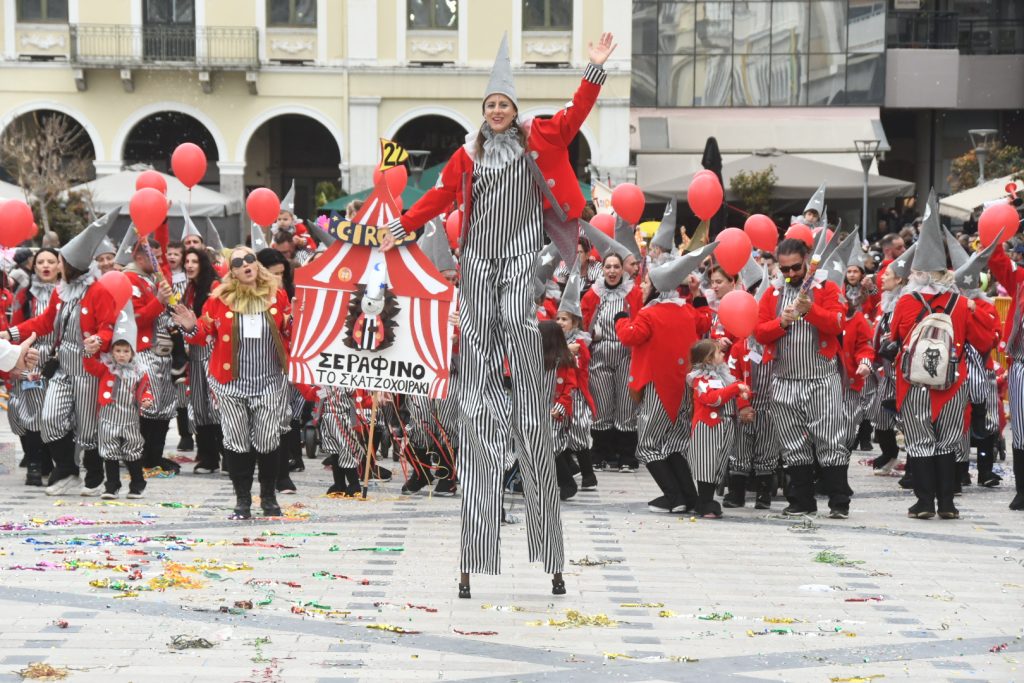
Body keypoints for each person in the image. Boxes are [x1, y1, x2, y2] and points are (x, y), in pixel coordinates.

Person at [380, 32, 617, 599]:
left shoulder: (541, 137)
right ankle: (483, 392)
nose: (497, 111)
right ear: (483, 112)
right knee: (479, 335)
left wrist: (595, 67)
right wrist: (405, 226)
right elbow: (438, 199)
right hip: (479, 256)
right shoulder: (469, 155)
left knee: (518, 316)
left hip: (521, 253)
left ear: (515, 110)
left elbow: (578, 108)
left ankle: (529, 386)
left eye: (504, 104)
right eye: (490, 105)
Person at [2, 210, 119, 496]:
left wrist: (98, 341)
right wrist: (11, 334)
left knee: (89, 429)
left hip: (88, 368)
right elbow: (43, 323)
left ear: (72, 265)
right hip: (63, 366)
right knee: (49, 418)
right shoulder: (61, 290)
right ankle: (66, 469)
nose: (55, 267)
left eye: (60, 262)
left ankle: (94, 477)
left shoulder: (99, 292)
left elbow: (108, 327)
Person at [172, 246, 292, 519]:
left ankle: (269, 497)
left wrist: (298, 320)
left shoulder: (277, 294)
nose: (246, 264)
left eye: (250, 259)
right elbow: (202, 335)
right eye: (238, 262)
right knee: (237, 442)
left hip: (270, 381)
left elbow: (289, 327)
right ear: (232, 271)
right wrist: (191, 326)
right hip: (230, 384)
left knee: (267, 440)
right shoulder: (218, 299)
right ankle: (242, 500)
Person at [755, 237, 852, 519]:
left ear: (807, 260)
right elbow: (759, 332)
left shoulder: (828, 288)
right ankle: (802, 500)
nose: (790, 275)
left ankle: (839, 500)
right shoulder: (772, 295)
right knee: (792, 442)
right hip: (785, 379)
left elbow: (837, 324)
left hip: (821, 377)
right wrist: (781, 323)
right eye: (784, 270)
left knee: (830, 440)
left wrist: (809, 310)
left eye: (796, 268)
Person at [616, 246, 715, 514]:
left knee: (648, 446)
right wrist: (697, 295)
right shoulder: (686, 311)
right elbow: (705, 320)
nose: (644, 284)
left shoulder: (650, 313)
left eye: (648, 282)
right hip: (684, 387)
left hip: (659, 387)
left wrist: (620, 320)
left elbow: (630, 336)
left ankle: (674, 496)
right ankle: (688, 497)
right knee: (673, 445)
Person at [83, 302, 152, 500]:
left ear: (132, 353)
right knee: (109, 452)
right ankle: (112, 486)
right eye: (118, 351)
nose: (121, 355)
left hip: (129, 418)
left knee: (132, 452)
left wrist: (146, 401)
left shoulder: (139, 373)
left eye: (125, 351)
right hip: (108, 417)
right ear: (112, 352)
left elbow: (145, 392)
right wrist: (88, 352)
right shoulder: (106, 369)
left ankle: (138, 483)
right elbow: (89, 366)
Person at [7, 247, 60, 486]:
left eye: (51, 261)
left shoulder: (68, 293)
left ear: (60, 265)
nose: (46, 266)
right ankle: (35, 466)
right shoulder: (25, 294)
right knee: (30, 413)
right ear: (33, 266)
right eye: (41, 262)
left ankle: (54, 461)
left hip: (60, 361)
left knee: (56, 415)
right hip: (29, 360)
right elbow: (16, 329)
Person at [688, 339, 751, 518]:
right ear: (708, 359)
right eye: (718, 352)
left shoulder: (723, 375)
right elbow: (712, 399)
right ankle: (705, 502)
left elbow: (730, 391)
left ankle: (706, 501)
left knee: (718, 465)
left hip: (725, 425)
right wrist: (734, 388)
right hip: (708, 427)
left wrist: (742, 392)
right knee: (706, 465)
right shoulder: (699, 378)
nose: (723, 354)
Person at [180, 247, 223, 474]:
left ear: (203, 263)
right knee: (199, 406)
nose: (189, 265)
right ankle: (208, 457)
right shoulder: (189, 288)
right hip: (195, 352)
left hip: (212, 351)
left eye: (194, 261)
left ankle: (229, 453)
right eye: (187, 261)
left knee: (216, 405)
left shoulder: (214, 287)